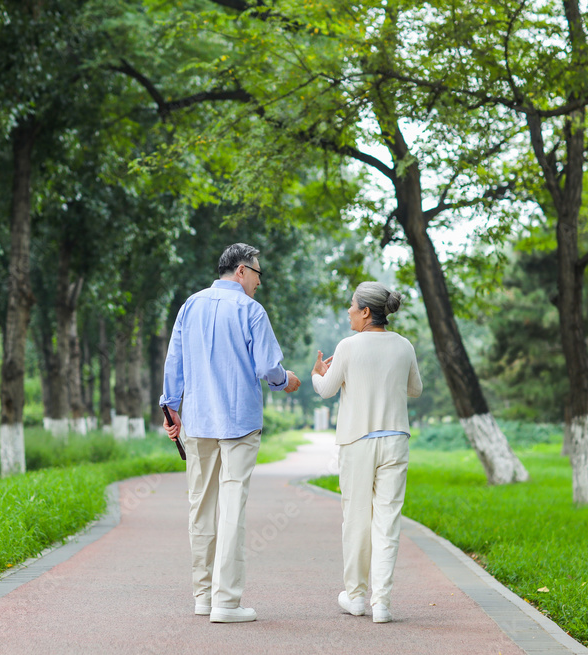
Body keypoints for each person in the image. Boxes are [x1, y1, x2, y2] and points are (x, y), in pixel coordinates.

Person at [160, 243, 301, 623]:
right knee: (232, 506)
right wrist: (285, 380)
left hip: (199, 420)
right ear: (241, 270)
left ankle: (203, 597)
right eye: (257, 272)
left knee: (201, 507)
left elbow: (175, 362)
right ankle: (227, 602)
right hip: (238, 421)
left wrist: (170, 407)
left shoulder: (190, 306)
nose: (259, 281)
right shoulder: (251, 310)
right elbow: (268, 367)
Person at [310, 281, 422, 623]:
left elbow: (327, 390)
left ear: (366, 312)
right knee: (387, 521)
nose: (348, 311)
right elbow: (415, 389)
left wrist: (318, 374)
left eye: (352, 306)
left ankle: (356, 597)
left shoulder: (348, 346)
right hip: (395, 440)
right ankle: (382, 604)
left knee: (356, 519)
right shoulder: (404, 346)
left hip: (357, 442)